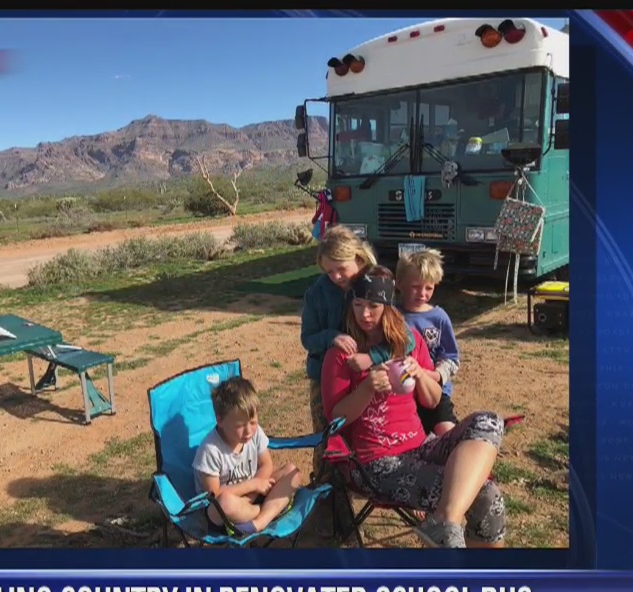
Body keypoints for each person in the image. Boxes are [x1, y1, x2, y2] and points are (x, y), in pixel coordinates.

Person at [320, 267, 507, 549]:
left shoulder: (408, 342)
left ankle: (446, 521)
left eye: (373, 306)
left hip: (421, 448)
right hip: (374, 464)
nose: (365, 314)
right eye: (358, 305)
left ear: (388, 307)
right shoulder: (341, 355)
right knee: (486, 493)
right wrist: (366, 388)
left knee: (491, 421)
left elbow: (431, 401)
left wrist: (420, 373)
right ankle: (452, 540)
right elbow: (336, 419)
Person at [300, 227, 411, 479]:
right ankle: (326, 491)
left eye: (342, 268)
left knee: (373, 432)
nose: (337, 276)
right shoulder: (317, 294)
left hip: (371, 376)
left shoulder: (373, 283)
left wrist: (371, 358)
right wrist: (331, 337)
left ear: (358, 258)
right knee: (329, 435)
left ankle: (380, 480)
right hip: (327, 378)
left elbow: (405, 338)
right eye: (329, 271)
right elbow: (308, 338)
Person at [192, 377, 307, 536]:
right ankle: (270, 510)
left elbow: (266, 464)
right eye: (239, 426)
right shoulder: (210, 450)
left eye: (252, 422)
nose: (248, 431)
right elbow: (215, 495)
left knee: (292, 472)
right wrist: (253, 486)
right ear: (220, 421)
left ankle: (260, 522)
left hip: (254, 495)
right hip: (223, 513)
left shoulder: (255, 433)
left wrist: (254, 492)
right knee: (225, 502)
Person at [395, 249, 461, 437]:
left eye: (429, 288)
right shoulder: (392, 315)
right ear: (399, 283)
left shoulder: (438, 317)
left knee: (447, 433)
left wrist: (436, 375)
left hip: (435, 391)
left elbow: (451, 357)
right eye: (415, 286)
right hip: (402, 392)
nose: (422, 293)